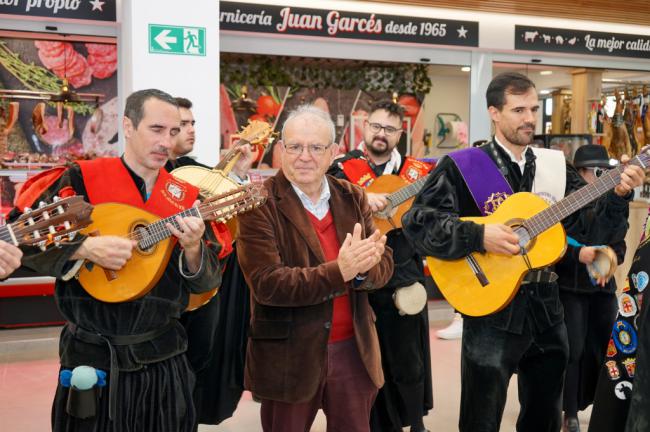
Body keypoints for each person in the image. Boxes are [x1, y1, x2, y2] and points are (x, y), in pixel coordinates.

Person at [402, 72, 644, 432]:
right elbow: (418, 223)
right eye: (518, 110)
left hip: (548, 307)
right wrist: (477, 235)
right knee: (480, 419)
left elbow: (592, 230)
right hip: (490, 311)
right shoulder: (463, 166)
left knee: (545, 417)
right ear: (494, 113)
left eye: (533, 108)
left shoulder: (554, 166)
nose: (530, 117)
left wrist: (619, 195)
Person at [10, 89, 223, 432]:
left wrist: (195, 250)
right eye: (156, 129)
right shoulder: (81, 179)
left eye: (174, 131)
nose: (166, 142)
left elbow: (208, 283)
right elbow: (21, 239)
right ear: (127, 125)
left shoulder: (186, 197)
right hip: (93, 357)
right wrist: (82, 249)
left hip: (163, 357)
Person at [237, 105, 394, 432]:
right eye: (294, 146)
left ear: (333, 152)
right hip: (288, 356)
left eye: (316, 147)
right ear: (280, 150)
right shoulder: (257, 203)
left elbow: (383, 262)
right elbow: (268, 284)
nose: (304, 156)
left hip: (354, 350)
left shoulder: (351, 196)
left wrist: (364, 270)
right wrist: (342, 270)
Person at [327, 99, 433, 432]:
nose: (381, 134)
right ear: (364, 126)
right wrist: (359, 195)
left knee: (408, 360)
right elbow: (324, 200)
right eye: (375, 126)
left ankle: (415, 423)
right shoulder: (342, 168)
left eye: (389, 128)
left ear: (400, 133)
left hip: (404, 277)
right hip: (359, 277)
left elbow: (433, 217)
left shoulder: (416, 173)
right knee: (363, 362)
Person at [165, 96, 256, 427]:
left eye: (192, 124)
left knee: (198, 368)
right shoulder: (148, 176)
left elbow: (236, 213)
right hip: (160, 297)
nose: (190, 130)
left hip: (203, 290)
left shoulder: (198, 171)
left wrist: (240, 172)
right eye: (181, 125)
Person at [557, 145, 625, 432]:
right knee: (572, 350)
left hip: (603, 289)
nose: (603, 177)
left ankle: (606, 408)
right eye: (598, 172)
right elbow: (557, 244)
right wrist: (580, 255)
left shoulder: (613, 202)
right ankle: (569, 412)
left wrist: (608, 263)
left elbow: (618, 246)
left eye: (607, 171)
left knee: (608, 347)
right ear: (581, 172)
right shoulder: (564, 203)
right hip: (571, 288)